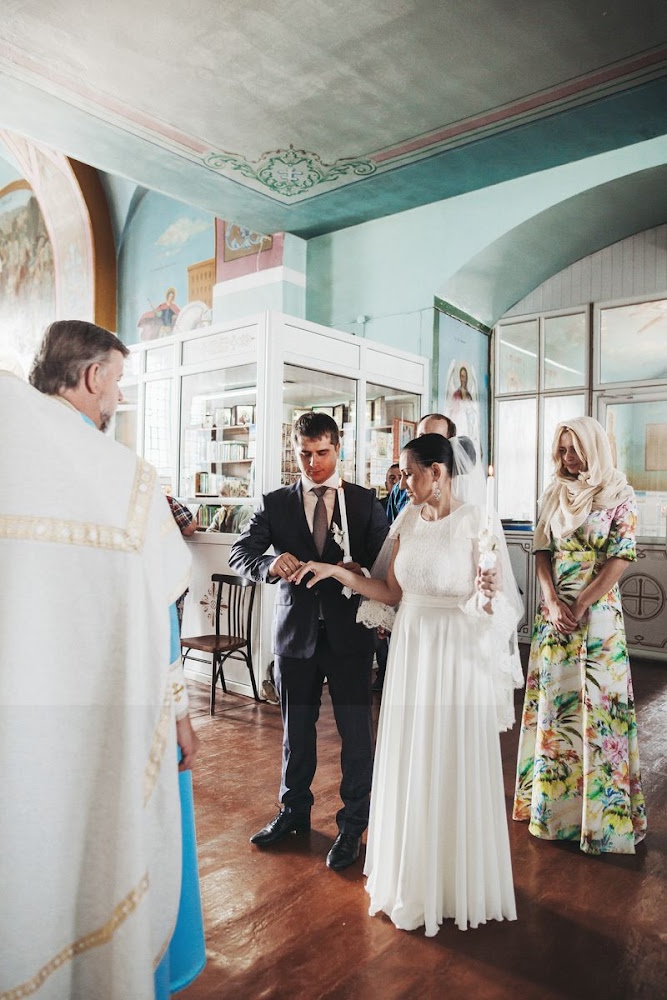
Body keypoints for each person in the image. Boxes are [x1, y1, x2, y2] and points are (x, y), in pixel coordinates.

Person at [23, 319, 205, 995]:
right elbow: (160, 613)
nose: (119, 398)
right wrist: (179, 713)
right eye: (119, 382)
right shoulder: (121, 477)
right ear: (93, 376)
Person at [293, 434, 524, 934]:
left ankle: (455, 879)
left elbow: (494, 606)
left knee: (448, 756)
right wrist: (337, 572)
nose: (403, 481)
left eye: (410, 473)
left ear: (436, 472)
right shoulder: (406, 520)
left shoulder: (476, 522)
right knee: (411, 755)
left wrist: (488, 594)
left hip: (454, 654)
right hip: (412, 651)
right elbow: (390, 591)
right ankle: (411, 875)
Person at [229, 411, 389, 871]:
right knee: (295, 734)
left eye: (322, 453)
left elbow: (384, 566)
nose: (313, 463)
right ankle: (293, 812)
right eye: (304, 454)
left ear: (339, 449)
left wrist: (356, 571)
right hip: (294, 637)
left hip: (350, 637)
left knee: (356, 736)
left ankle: (353, 825)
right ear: (294, 451)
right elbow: (241, 553)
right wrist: (269, 563)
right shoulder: (275, 502)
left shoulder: (364, 502)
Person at [513, 416, 647, 855]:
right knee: (558, 708)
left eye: (575, 448)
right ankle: (555, 815)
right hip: (556, 616)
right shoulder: (554, 493)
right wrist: (552, 601)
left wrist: (582, 602)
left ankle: (601, 821)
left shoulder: (620, 495)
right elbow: (542, 551)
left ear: (595, 448)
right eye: (562, 449)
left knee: (600, 710)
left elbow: (620, 558)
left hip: (598, 616)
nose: (567, 457)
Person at [385, 413, 456, 522]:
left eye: (434, 439)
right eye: (421, 437)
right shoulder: (399, 491)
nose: (425, 445)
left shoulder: (460, 489)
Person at [167, 494, 197, 630]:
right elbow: (189, 529)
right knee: (172, 623)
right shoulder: (167, 501)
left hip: (139, 573)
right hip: (170, 571)